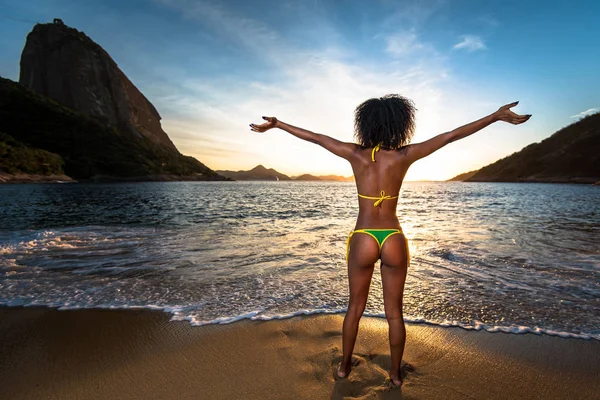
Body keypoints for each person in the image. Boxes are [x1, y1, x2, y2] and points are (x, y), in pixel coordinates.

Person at [250, 96, 531, 387]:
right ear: (400, 125)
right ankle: (396, 374)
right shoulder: (404, 156)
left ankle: (345, 367)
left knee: (354, 309)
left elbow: (317, 139)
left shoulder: (355, 154)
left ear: (366, 124)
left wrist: (278, 124)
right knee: (394, 314)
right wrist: (494, 116)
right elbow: (450, 136)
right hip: (394, 238)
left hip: (364, 238)